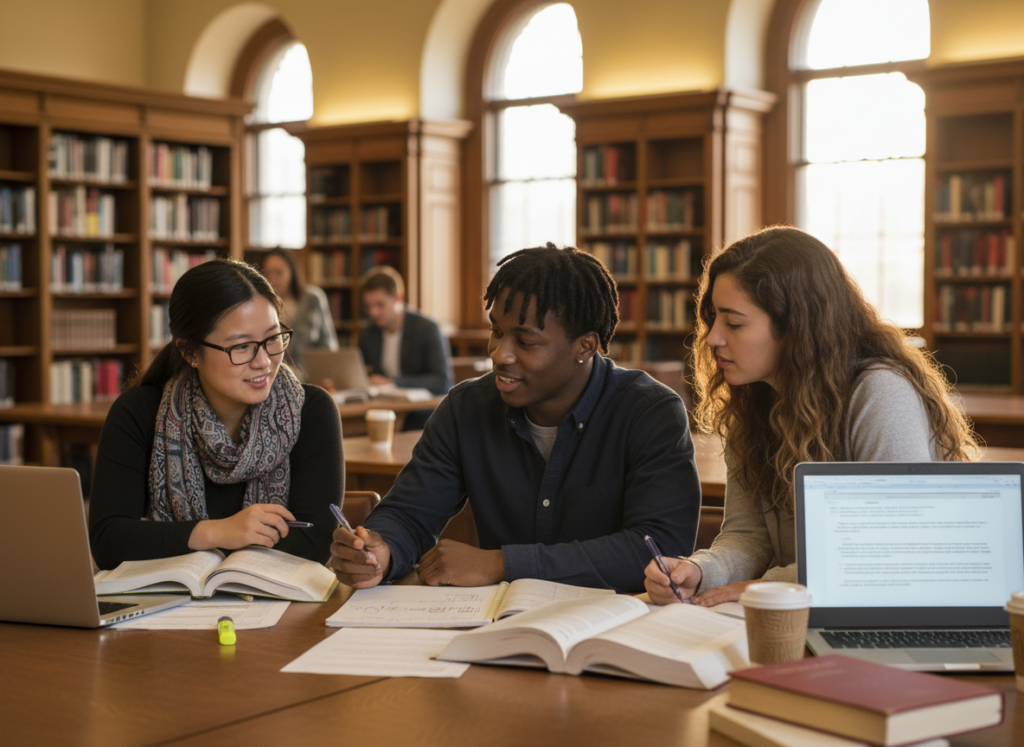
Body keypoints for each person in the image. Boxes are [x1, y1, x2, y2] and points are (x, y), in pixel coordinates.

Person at [331, 243, 700, 593]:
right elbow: (410, 512)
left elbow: (659, 548)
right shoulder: (466, 408)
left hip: (613, 625)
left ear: (585, 346)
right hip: (495, 624)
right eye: (496, 331)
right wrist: (381, 550)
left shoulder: (649, 413)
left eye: (525, 342)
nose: (499, 354)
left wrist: (503, 564)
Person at [644, 226, 979, 606]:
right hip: (802, 608)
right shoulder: (754, 402)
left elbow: (891, 547)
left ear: (796, 327)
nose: (713, 338)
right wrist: (701, 571)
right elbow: (748, 537)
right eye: (714, 319)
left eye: (734, 323)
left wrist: (769, 584)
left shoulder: (880, 392)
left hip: (888, 609)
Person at [89, 258, 343, 569]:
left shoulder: (311, 411)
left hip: (274, 596)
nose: (264, 362)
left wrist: (166, 537)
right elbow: (109, 541)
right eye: (241, 347)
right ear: (190, 352)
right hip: (171, 596)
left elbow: (314, 543)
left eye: (272, 338)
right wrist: (221, 532)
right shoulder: (139, 412)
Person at [358, 265, 454, 396]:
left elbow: (442, 381)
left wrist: (393, 383)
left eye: (380, 305)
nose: (373, 312)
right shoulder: (369, 333)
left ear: (398, 298)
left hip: (422, 407)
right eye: (368, 306)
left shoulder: (427, 329)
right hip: (382, 403)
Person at [260, 247, 338, 377]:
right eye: (268, 274)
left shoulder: (311, 299)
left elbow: (328, 344)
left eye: (279, 273)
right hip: (275, 375)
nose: (273, 279)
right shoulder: (262, 305)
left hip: (311, 374)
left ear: (291, 271)